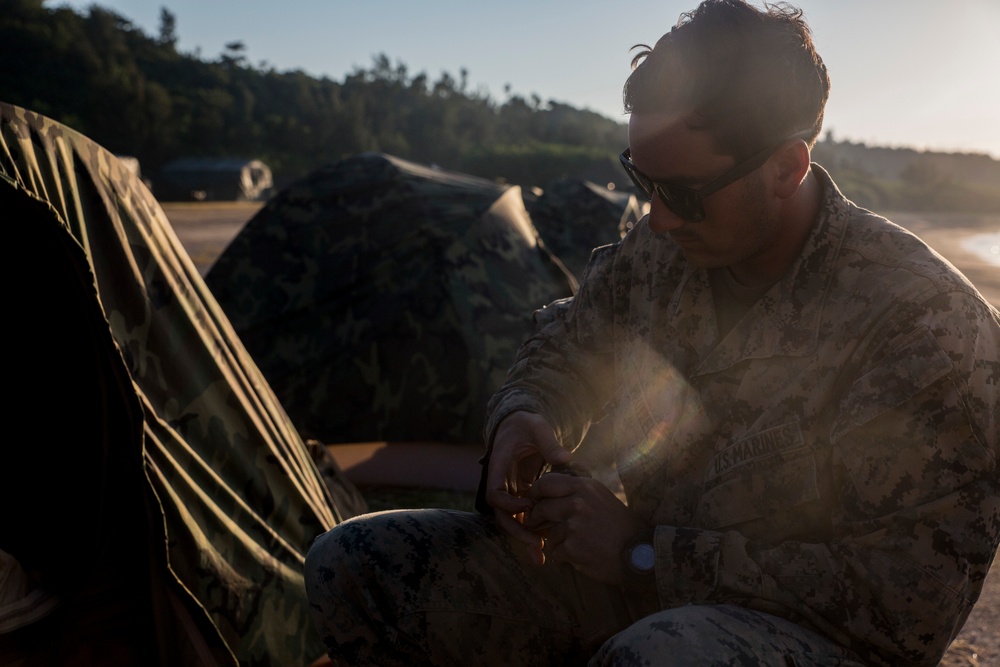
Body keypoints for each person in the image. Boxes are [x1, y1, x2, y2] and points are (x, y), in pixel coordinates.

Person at [304, 1, 1000, 664]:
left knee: (660, 655)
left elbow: (900, 608)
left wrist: (647, 552)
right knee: (358, 567)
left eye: (685, 194)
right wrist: (525, 414)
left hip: (810, 640)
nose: (657, 218)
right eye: (642, 179)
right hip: (640, 601)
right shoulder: (666, 249)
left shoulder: (926, 326)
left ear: (787, 167)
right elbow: (569, 340)